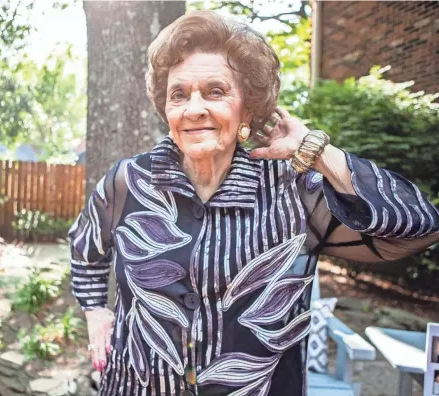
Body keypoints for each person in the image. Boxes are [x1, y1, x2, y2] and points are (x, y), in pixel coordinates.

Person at [69, 10, 439, 396]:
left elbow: (421, 229)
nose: (194, 108)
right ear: (166, 109)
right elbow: (85, 248)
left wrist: (319, 153)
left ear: (247, 109)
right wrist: (96, 312)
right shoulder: (129, 181)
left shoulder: (294, 193)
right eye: (179, 94)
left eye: (215, 91)